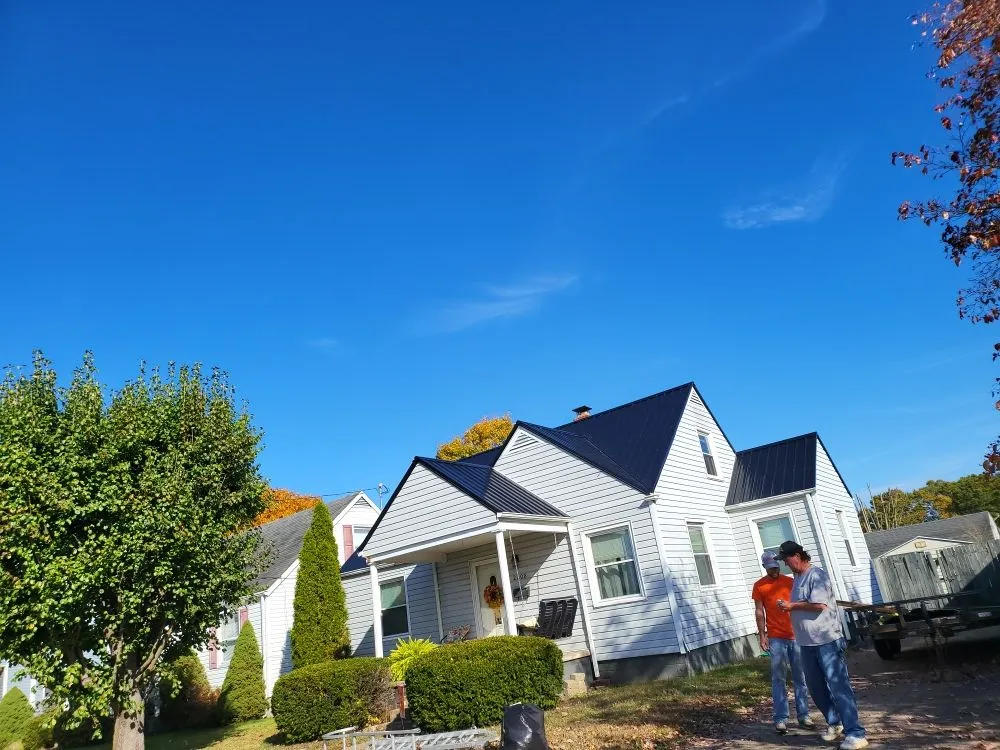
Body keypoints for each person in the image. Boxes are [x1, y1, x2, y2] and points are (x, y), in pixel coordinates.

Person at [775, 540, 867, 750]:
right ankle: (835, 722)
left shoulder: (817, 575)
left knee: (838, 686)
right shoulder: (797, 578)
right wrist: (790, 607)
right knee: (815, 688)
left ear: (797, 555)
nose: (785, 564)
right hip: (806, 643)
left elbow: (819, 605)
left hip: (827, 640)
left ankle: (856, 733)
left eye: (786, 559)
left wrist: (792, 606)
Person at [752, 551, 813, 734]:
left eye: (776, 567)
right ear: (765, 567)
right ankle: (780, 718)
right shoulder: (759, 586)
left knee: (800, 677)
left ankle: (804, 715)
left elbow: (802, 604)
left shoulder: (790, 582)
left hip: (796, 635)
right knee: (778, 678)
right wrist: (762, 635)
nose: (774, 570)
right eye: (770, 568)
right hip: (776, 637)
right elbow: (759, 611)